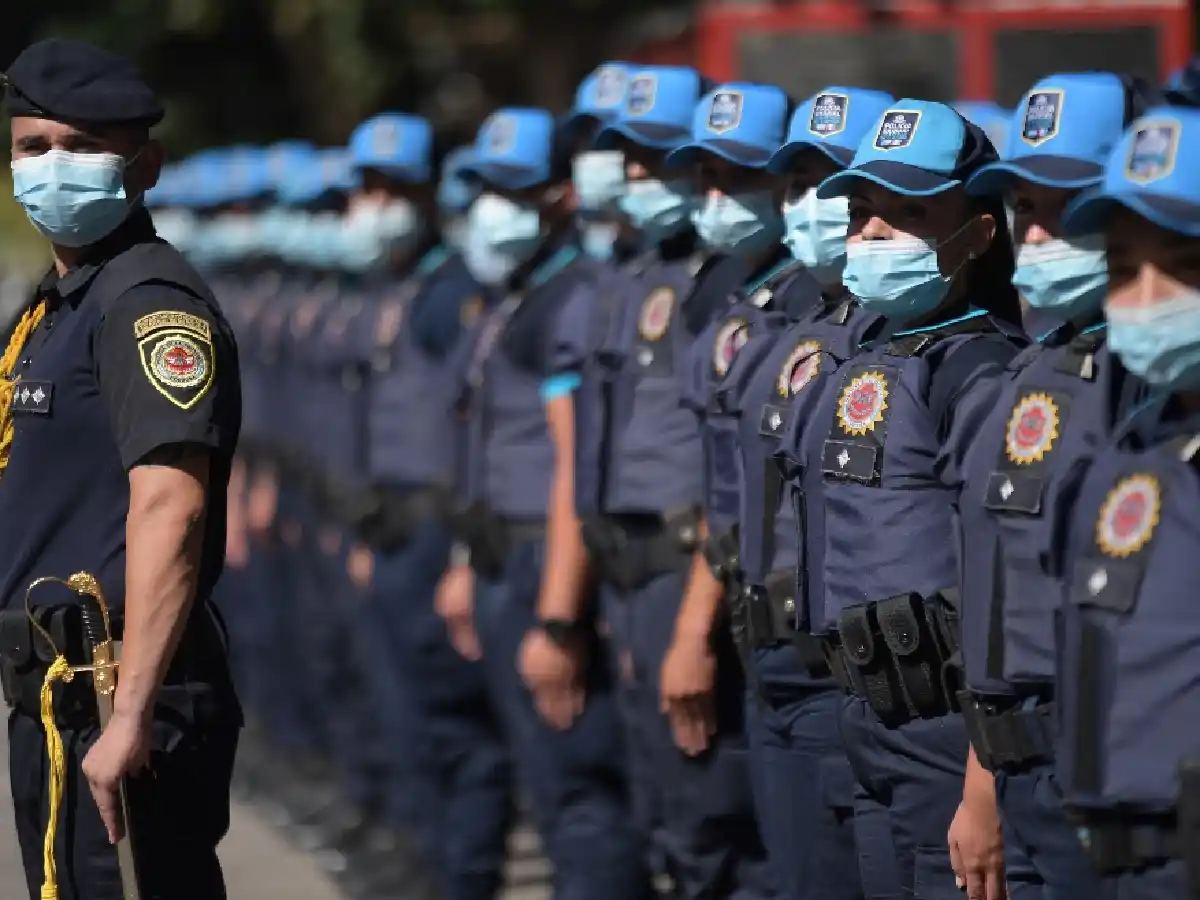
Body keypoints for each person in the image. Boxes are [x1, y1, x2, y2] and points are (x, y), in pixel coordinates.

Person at [0, 38, 242, 899]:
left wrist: (130, 713)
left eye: (80, 146)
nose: (52, 168)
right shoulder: (59, 304)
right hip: (55, 697)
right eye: (33, 147)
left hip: (118, 697)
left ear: (145, 166)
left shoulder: (145, 305)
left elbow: (171, 508)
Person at [789, 99, 1027, 898]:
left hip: (946, 735)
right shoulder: (873, 350)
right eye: (861, 213)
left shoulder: (983, 372)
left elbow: (1005, 590)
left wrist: (983, 787)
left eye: (910, 213)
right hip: (866, 716)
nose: (873, 234)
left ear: (978, 233)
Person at [437, 105, 651, 900]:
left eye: (514, 188)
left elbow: (574, 467)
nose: (494, 205)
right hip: (502, 558)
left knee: (579, 796)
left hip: (544, 566)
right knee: (547, 784)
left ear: (561, 196)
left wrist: (559, 619)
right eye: (484, 186)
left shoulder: (570, 298)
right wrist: (466, 563)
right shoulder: (516, 294)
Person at [956, 72, 1159, 900]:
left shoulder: (1149, 373)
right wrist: (983, 776)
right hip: (1018, 765)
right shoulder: (1038, 363)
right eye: (1024, 206)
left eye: (1066, 205)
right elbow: (999, 586)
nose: (1037, 232)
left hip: (1108, 774)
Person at [579, 70, 777, 898]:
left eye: (654, 160)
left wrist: (694, 619)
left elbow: (722, 476)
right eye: (627, 159)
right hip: (630, 568)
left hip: (686, 567)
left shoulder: (738, 289)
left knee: (709, 821)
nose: (638, 179)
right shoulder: (649, 273)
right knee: (662, 810)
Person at [711, 85, 893, 900]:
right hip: (768, 660)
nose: (808, 208)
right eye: (793, 187)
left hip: (842, 678)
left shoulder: (909, 346)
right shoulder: (793, 327)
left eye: (833, 188)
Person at [343, 113, 515, 900]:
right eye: (367, 188)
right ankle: (428, 864)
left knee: (457, 733)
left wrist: (458, 557)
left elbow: (476, 428)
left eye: (393, 189)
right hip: (394, 534)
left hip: (439, 537)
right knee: (406, 718)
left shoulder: (454, 296)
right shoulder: (401, 287)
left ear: (425, 193)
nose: (376, 204)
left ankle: (462, 877)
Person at [1044, 104, 1200, 900]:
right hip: (1107, 848)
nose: (1147, 299)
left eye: (1183, 266)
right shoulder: (1135, 442)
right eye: (1121, 270)